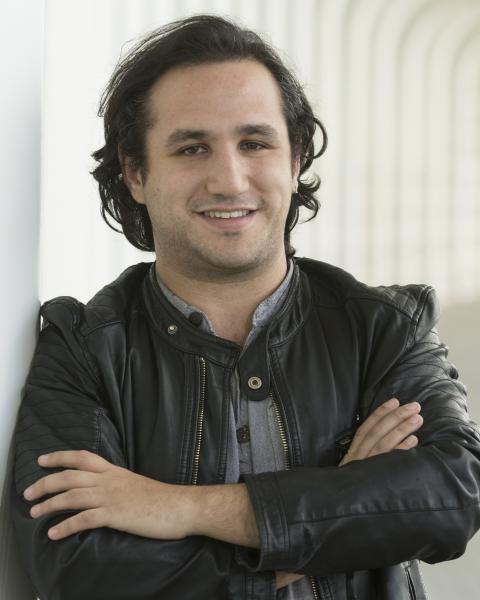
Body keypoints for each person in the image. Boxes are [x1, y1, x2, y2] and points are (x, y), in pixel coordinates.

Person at [11, 14, 480, 600]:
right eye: (192, 148)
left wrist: (177, 507)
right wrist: (338, 510)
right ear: (134, 173)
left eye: (254, 144)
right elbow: (79, 569)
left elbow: (451, 496)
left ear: (295, 159)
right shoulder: (85, 349)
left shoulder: (385, 327)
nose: (230, 181)